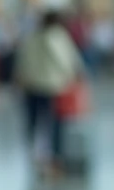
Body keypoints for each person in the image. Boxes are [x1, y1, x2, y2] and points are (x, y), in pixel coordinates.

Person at [15, 11, 86, 177]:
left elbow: (22, 60)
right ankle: (54, 159)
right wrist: (72, 76)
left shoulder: (31, 37)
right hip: (52, 87)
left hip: (31, 85)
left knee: (34, 122)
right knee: (54, 125)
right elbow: (68, 61)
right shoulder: (58, 36)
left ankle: (35, 154)